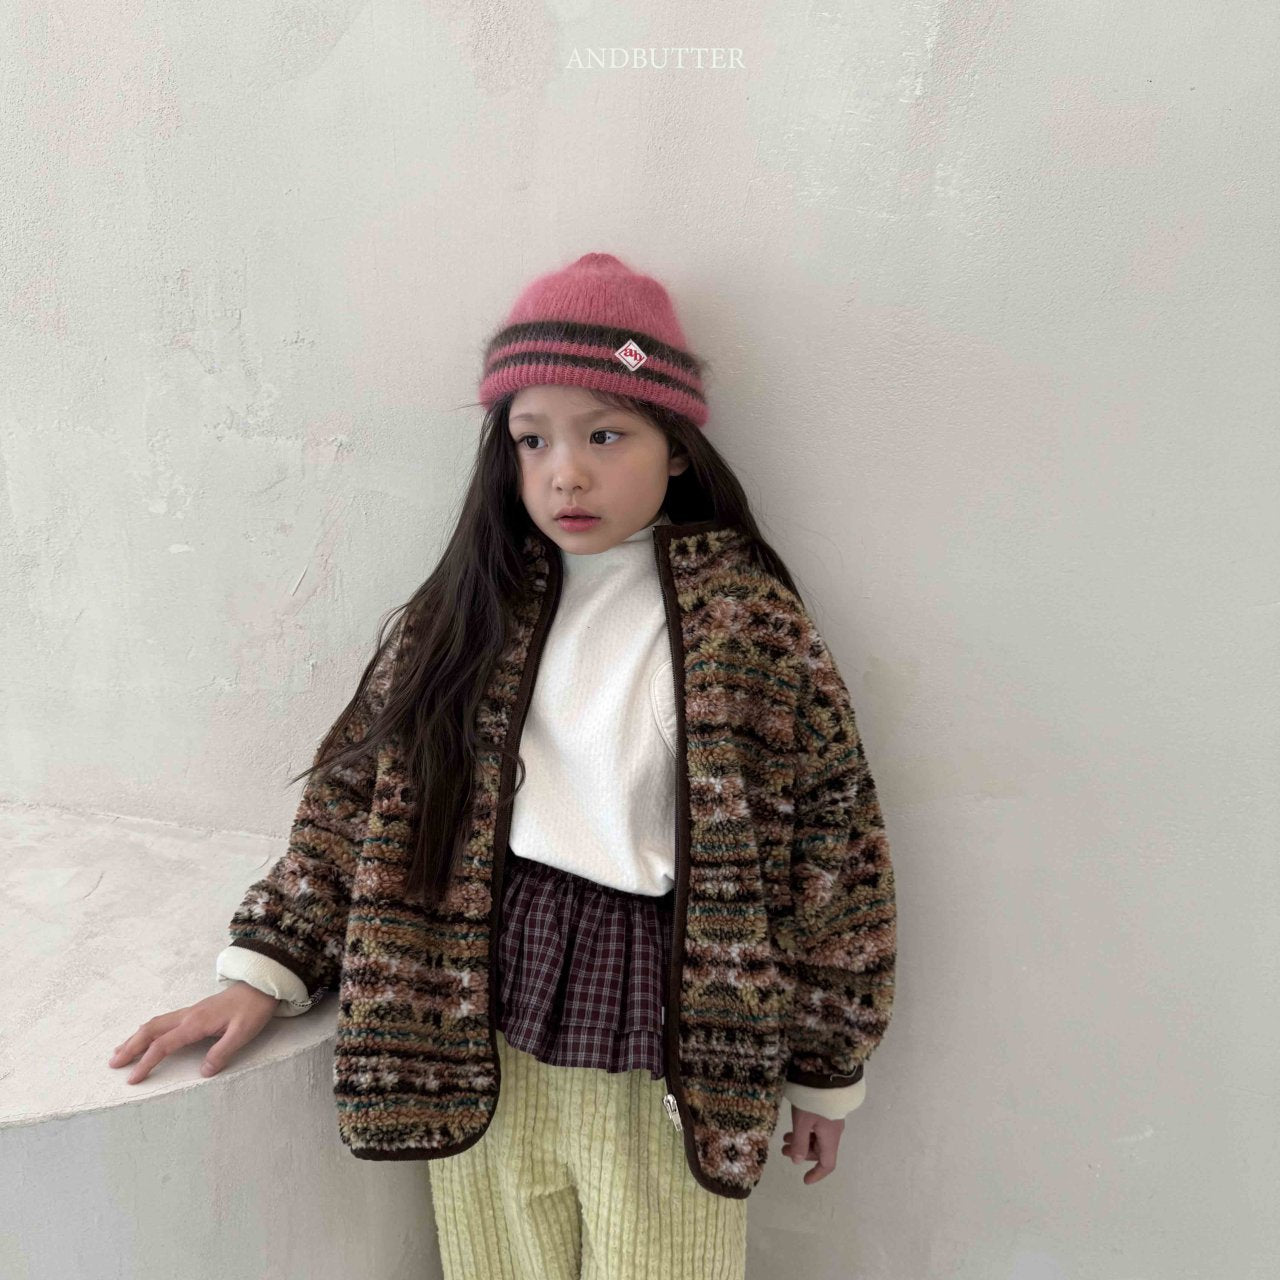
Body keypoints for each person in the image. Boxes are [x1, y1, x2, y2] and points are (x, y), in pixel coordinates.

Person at [107, 251, 897, 1280]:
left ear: (674, 446)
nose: (565, 472)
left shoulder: (751, 625)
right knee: (494, 1258)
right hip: (472, 1001)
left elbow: (837, 852)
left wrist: (826, 1069)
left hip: (667, 1020)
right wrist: (267, 967)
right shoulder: (465, 610)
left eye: (603, 434)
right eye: (533, 439)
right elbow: (356, 799)